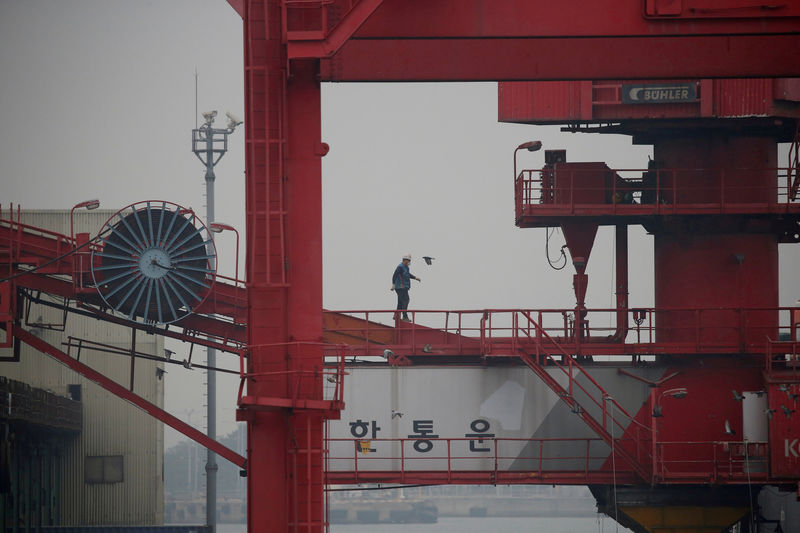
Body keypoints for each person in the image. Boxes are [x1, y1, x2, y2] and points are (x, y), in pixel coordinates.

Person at [391, 253, 421, 321]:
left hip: (404, 287)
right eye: (407, 260)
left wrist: (415, 277)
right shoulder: (400, 267)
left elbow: (408, 274)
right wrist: (393, 284)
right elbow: (395, 275)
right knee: (406, 300)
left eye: (409, 261)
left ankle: (396, 316)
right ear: (404, 260)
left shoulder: (406, 267)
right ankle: (405, 316)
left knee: (400, 302)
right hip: (400, 287)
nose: (408, 262)